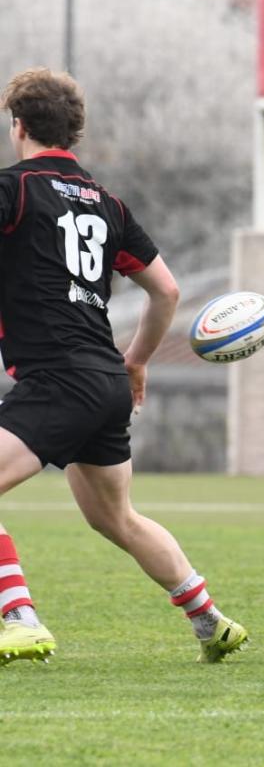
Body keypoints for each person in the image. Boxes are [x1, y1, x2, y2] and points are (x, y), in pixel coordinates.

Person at [0, 68, 246, 664]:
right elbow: (166, 290)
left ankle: (19, 617)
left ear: (19, 126)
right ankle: (210, 620)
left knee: (117, 517)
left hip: (58, 379)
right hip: (106, 379)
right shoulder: (107, 203)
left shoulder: (13, 189)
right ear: (73, 131)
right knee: (118, 518)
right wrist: (135, 361)